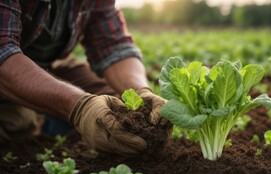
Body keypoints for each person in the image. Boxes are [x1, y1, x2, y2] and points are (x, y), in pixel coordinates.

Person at [0, 0, 167, 156]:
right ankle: (46, 121)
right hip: (10, 65)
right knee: (19, 125)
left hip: (51, 61)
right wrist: (79, 107)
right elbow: (3, 51)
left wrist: (141, 91)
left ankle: (54, 116)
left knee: (116, 106)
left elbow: (114, 46)